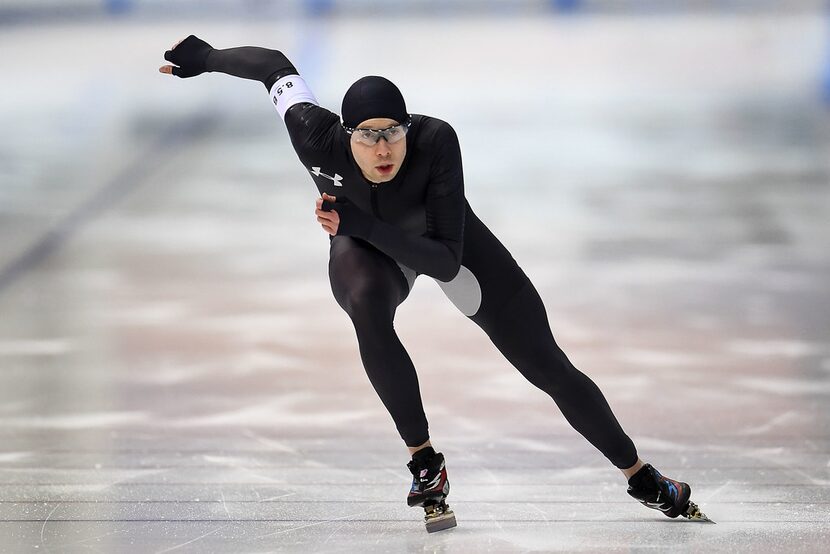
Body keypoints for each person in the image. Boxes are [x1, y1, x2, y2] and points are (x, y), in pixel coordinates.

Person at [159, 35, 711, 531]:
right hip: (369, 246)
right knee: (365, 307)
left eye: (393, 134)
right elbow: (273, 66)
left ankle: (640, 476)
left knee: (549, 366)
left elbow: (446, 263)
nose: (382, 150)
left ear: (408, 128)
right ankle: (425, 462)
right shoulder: (311, 132)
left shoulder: (436, 141)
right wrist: (206, 59)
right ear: (345, 134)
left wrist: (362, 223)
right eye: (369, 137)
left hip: (447, 243)